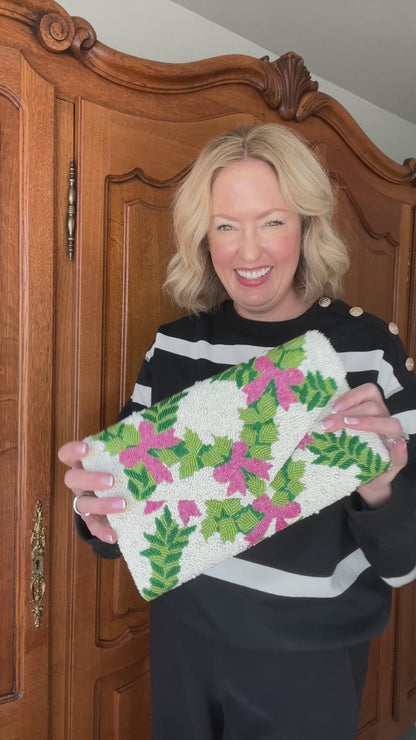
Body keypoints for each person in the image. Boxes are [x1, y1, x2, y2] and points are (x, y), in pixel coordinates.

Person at [59, 123, 416, 740]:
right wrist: (102, 519)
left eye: (271, 221)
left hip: (310, 660)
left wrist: (383, 481)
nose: (248, 253)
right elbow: (129, 506)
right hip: (183, 639)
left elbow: (403, 563)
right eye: (226, 225)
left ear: (306, 225)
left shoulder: (368, 352)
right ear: (204, 237)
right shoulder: (175, 345)